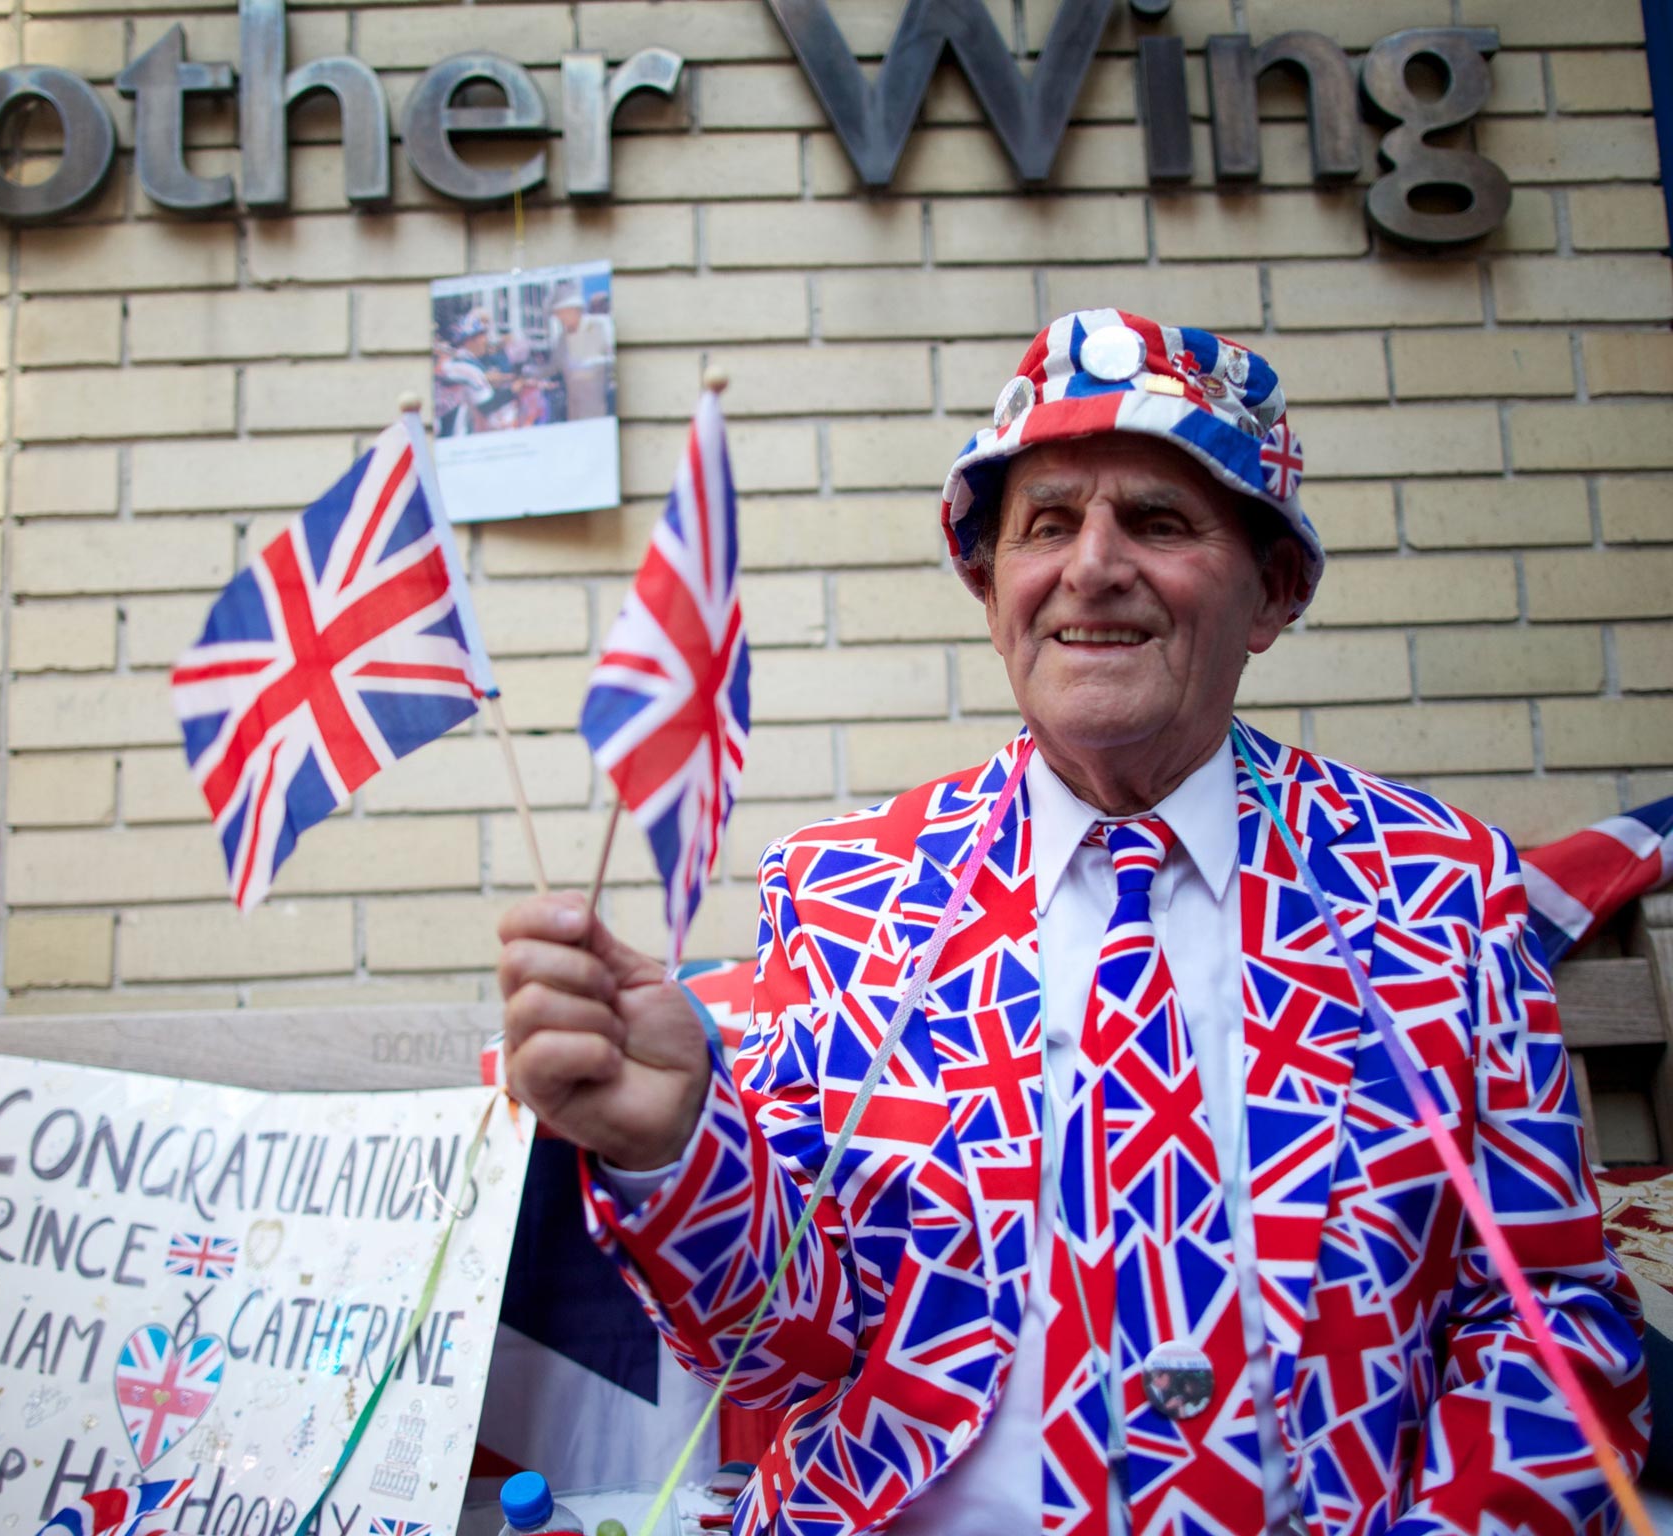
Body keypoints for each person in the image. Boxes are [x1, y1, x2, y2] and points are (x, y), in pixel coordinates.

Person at [497, 311, 1650, 1535]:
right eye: (1045, 524)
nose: (1091, 567)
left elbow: (1546, 1322)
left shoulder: (1436, 888)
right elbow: (787, 1347)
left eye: (1157, 521)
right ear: (990, 586)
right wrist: (673, 1151)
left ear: (1272, 590)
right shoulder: (845, 892)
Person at [543, 281, 614, 422]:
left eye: (560, 313)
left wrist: (587, 365)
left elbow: (613, 358)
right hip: (575, 410)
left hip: (601, 405)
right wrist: (530, 372)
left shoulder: (600, 325)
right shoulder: (562, 338)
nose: (559, 318)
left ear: (573, 309)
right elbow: (554, 367)